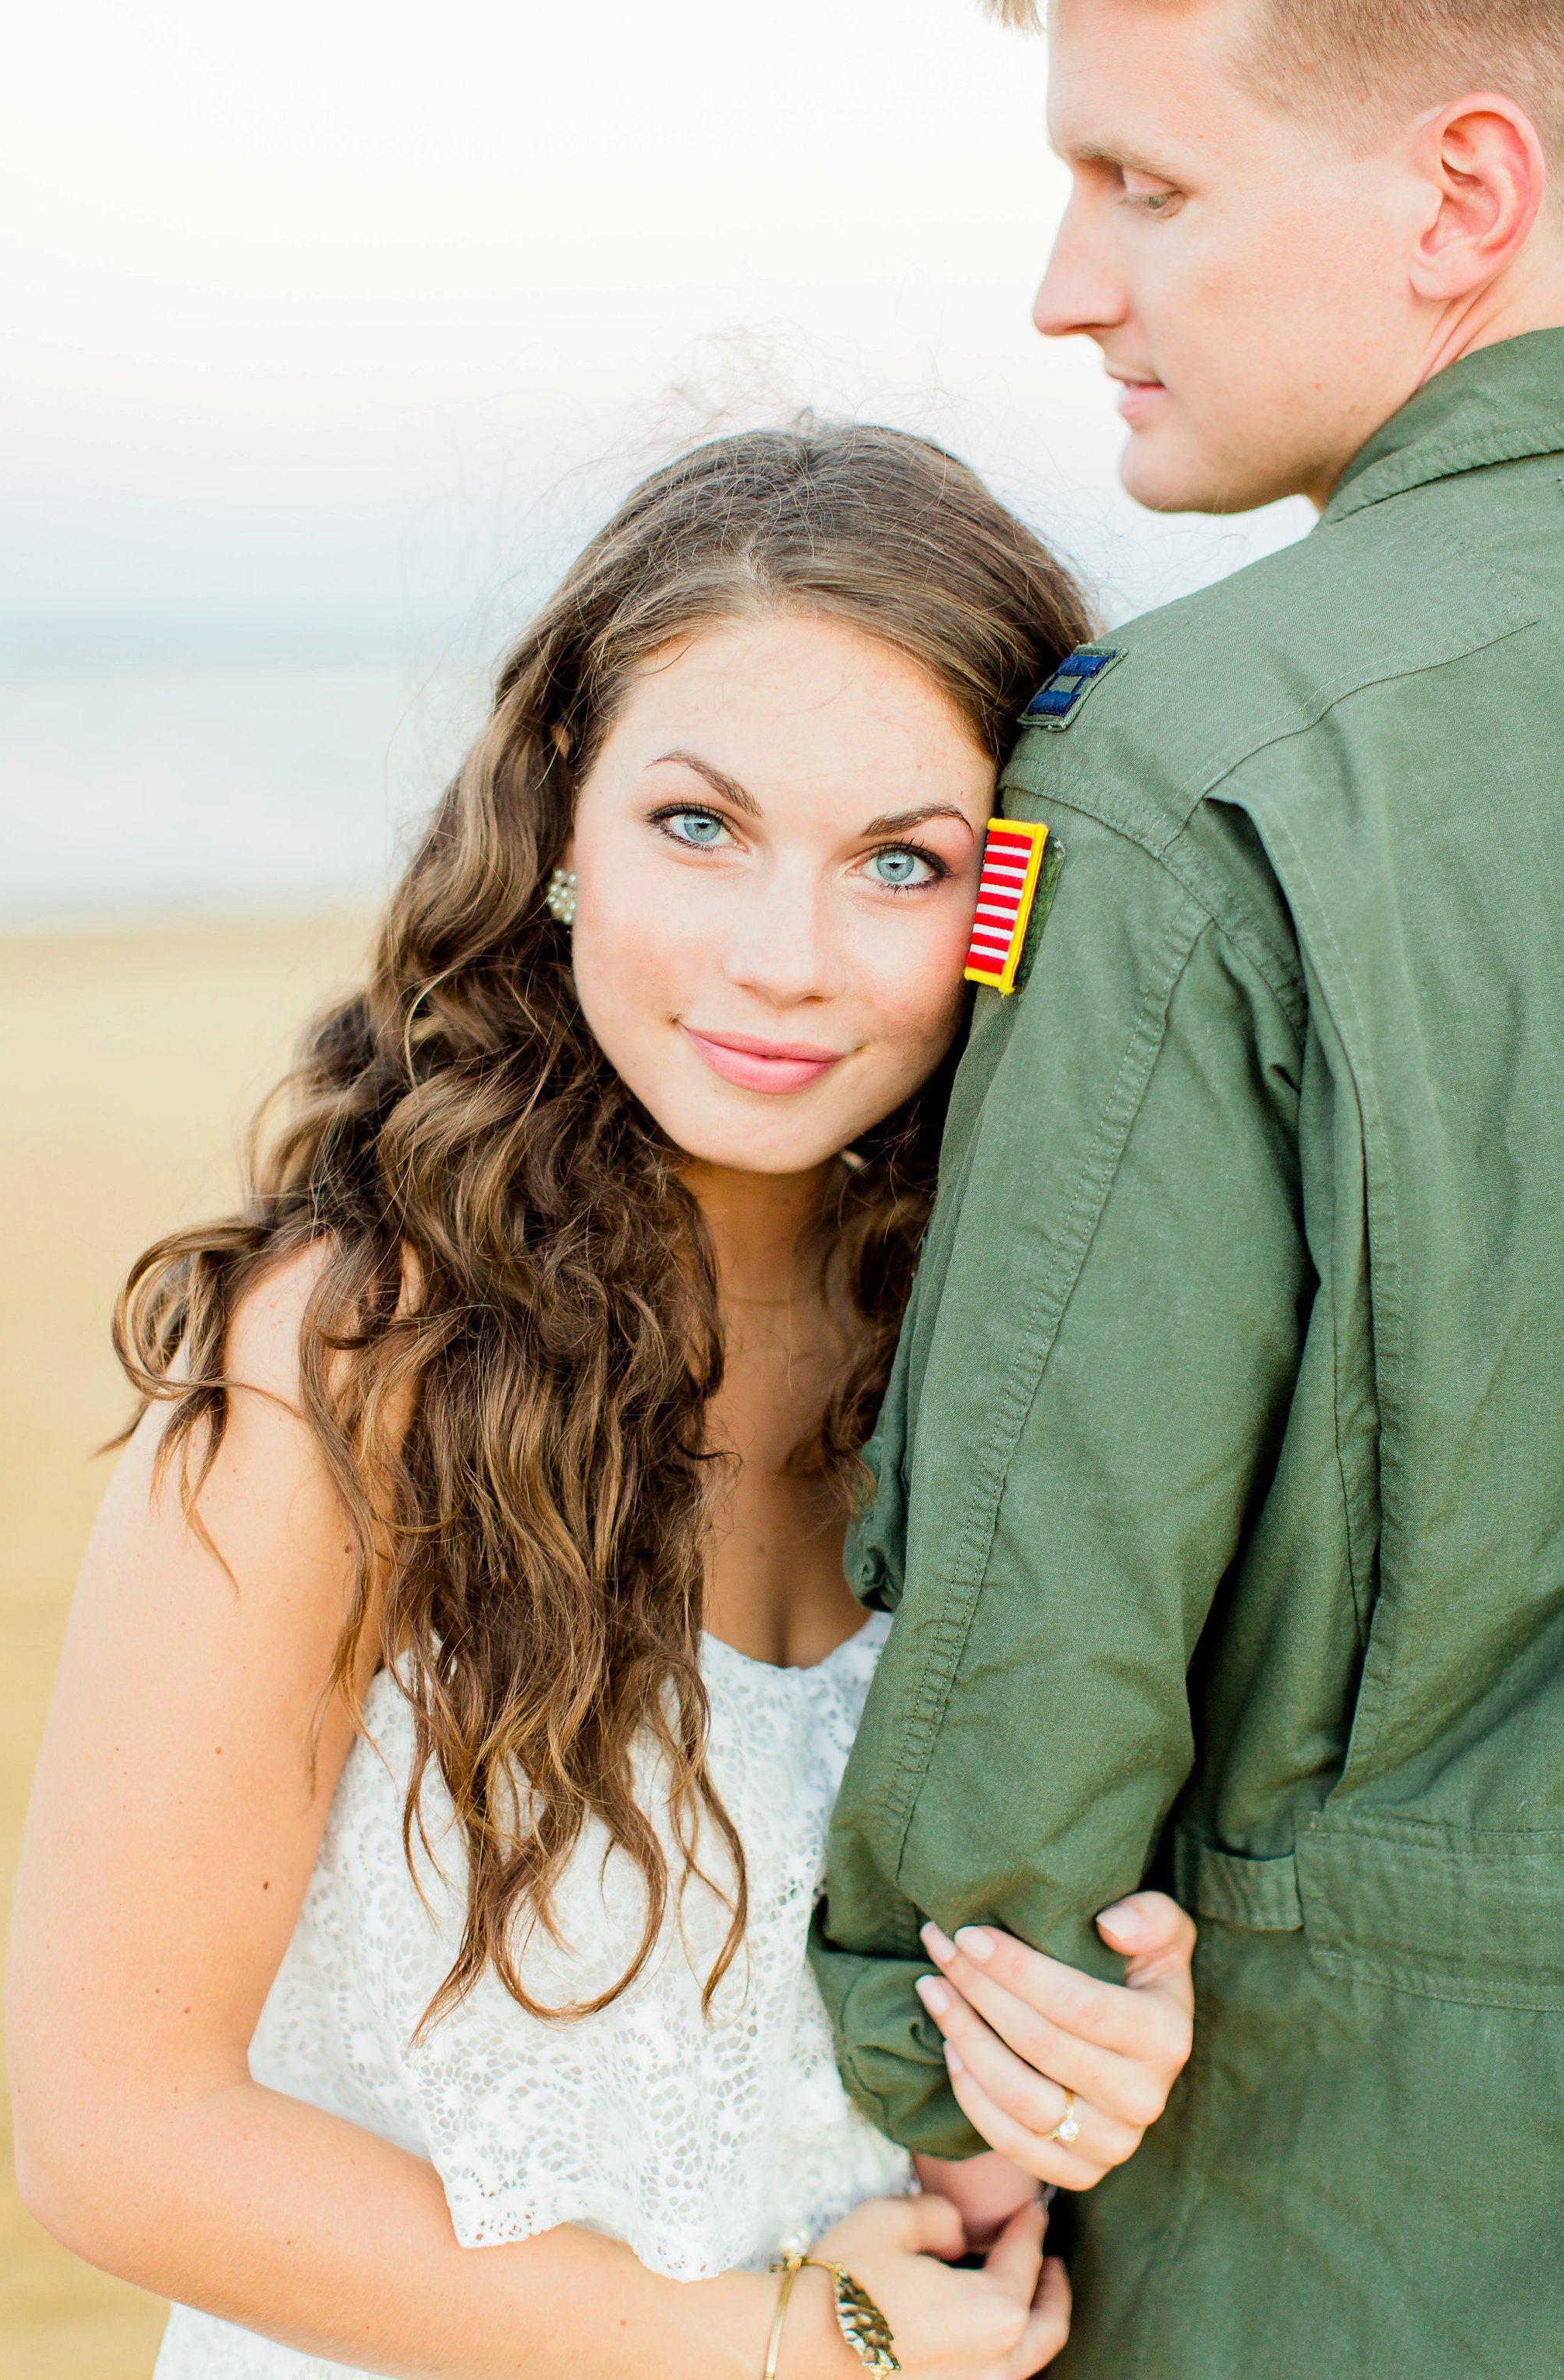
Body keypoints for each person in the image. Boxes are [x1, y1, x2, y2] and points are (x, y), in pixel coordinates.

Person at [6, 426, 1198, 2380]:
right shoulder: (345, 1359)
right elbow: (112, 2138)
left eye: (901, 863)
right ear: (559, 824)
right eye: (698, 827)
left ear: (1006, 913)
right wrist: (767, 2348)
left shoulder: (1005, 1343)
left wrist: (1072, 2066)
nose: (779, 961)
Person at [812, 2, 1564, 2374]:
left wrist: (943, 2076)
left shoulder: (1203, 764)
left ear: (1464, 193)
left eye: (1145, 184)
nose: (1067, 284)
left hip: (1340, 2212)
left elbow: (1057, 1574)